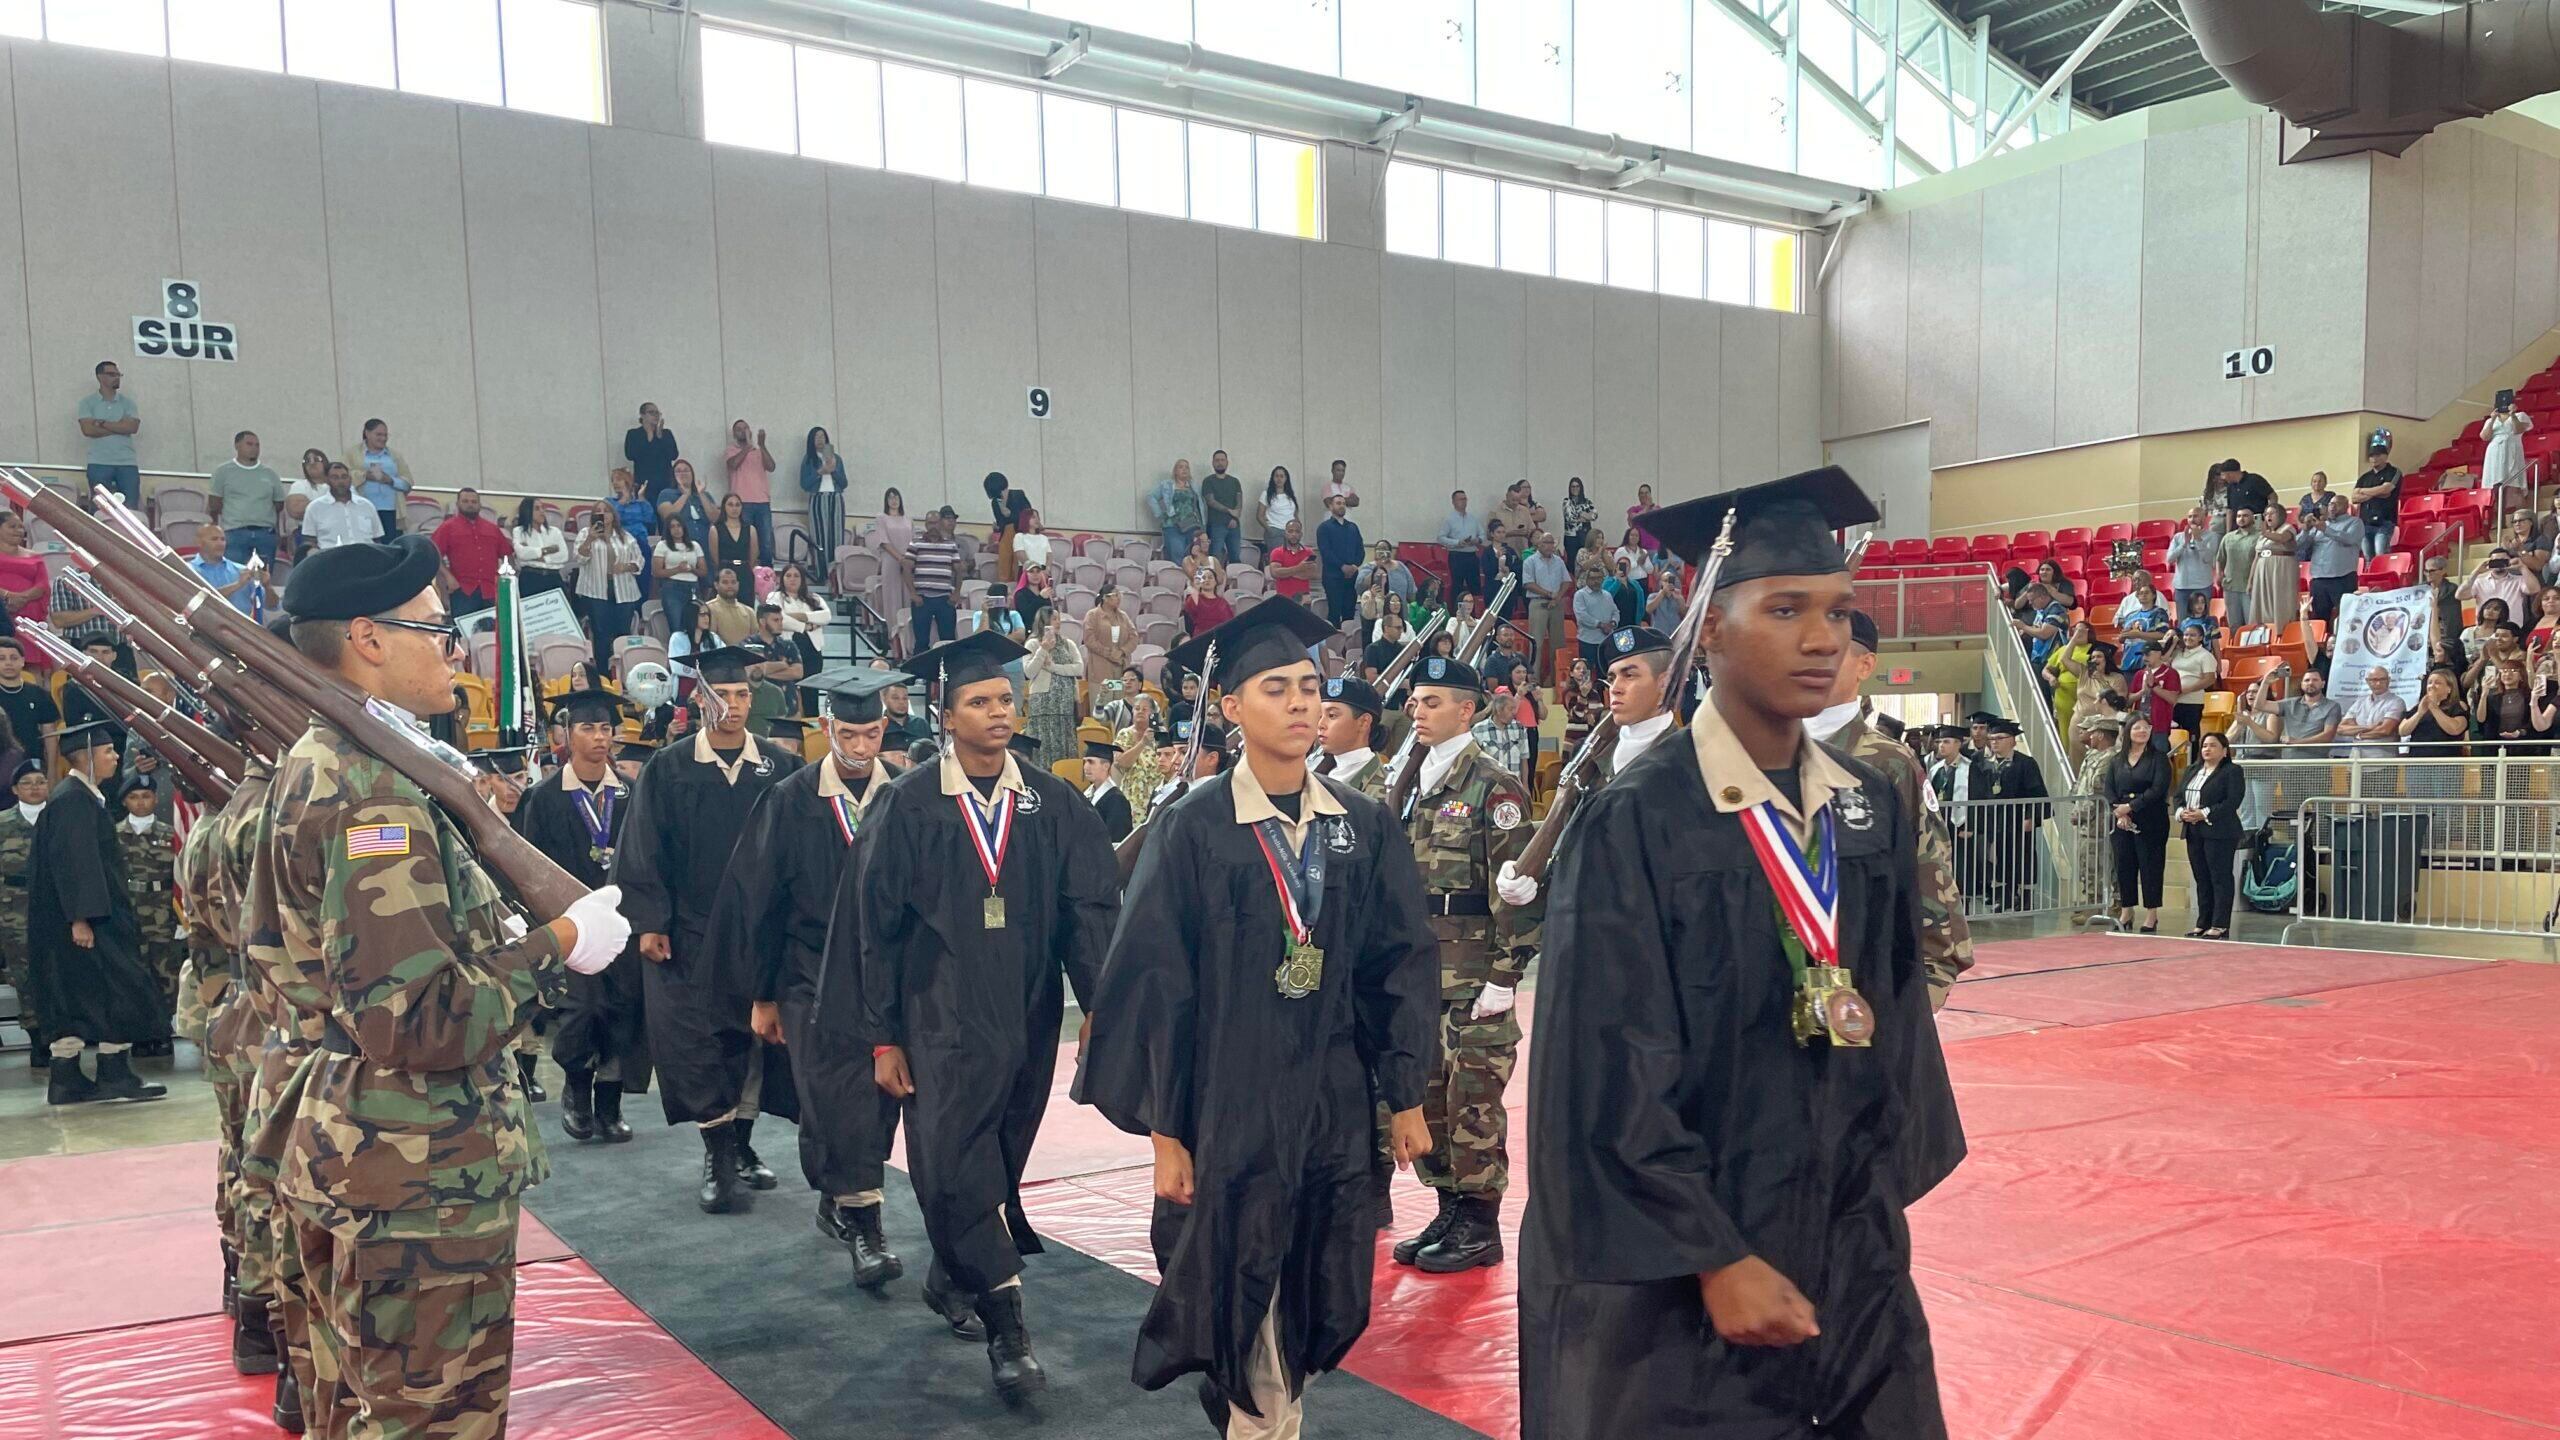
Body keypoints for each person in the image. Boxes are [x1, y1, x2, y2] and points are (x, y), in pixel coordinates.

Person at [1518, 467, 1963, 1440]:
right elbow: (1604, 1073)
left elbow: (1894, 1032)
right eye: (1785, 608)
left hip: (1850, 1268)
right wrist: (1713, 1256)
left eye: (1839, 613)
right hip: (1684, 1293)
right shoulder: (1638, 822)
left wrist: (1866, 1218)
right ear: (1709, 626)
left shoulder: (1865, 808)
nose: (1820, 637)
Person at [252, 537, 628, 1438]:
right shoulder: (371, 793)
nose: (454, 653)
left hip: (367, 1157)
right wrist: (558, 944)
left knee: (361, 1414)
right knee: (432, 1421)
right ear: (368, 639)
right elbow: (417, 1020)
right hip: (417, 1178)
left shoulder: (330, 762)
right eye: (437, 631)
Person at [1082, 597, 1437, 1435]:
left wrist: (1408, 1096)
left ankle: (1269, 1412)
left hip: (1332, 1099)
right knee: (1239, 1280)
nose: (1302, 703)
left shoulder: (1364, 827)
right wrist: (1168, 1132)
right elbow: (1151, 986)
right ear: (1232, 707)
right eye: (1276, 688)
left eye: (1311, 686)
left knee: (1317, 1276)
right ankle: (1261, 1422)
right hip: (1227, 1102)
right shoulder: (1194, 828)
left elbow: (1399, 966)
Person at [836, 630, 1118, 1394]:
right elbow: (876, 931)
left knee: (994, 1164)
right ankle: (1008, 1330)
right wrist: (882, 1037)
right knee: (955, 1163)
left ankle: (948, 1271)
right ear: (946, 714)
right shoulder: (907, 804)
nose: (998, 713)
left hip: (1027, 1023)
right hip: (937, 1023)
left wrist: (1098, 1005)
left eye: (1004, 699)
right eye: (979, 702)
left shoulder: (1051, 803)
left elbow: (1087, 913)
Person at [710, 667, 909, 1287]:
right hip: (808, 976)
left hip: (885, 980)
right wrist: (763, 994)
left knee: (879, 1105)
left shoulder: (904, 796)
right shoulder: (792, 799)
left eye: (872, 734)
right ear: (827, 728)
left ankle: (839, 1194)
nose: (860, 748)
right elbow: (761, 902)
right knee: (836, 1095)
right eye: (848, 734)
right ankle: (867, 1230)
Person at [613, 642, 803, 1210]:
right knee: (701, 1044)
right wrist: (649, 922)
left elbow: (799, 856)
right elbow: (641, 848)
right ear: (701, 698)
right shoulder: (668, 769)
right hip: (691, 934)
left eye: (744, 694)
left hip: (761, 933)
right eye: (725, 694)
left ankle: (742, 1145)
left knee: (758, 1043)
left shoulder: (781, 768)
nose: (736, 704)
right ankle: (718, 1156)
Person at [1379, 650, 1539, 1276]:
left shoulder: (1492, 786)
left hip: (1473, 974)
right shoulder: (1414, 775)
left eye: (1433, 702)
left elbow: (1518, 892)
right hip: (1420, 971)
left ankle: (1480, 1225)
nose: (1417, 711)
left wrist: (1506, 976)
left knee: (1473, 1103)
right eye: (1415, 701)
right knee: (1430, 1098)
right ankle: (1448, 1207)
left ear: (1467, 710)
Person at [1808, 610, 1975, 1006]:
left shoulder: (1887, 763)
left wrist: (1922, 1000)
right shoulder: (1761, 753)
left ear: (1865, 665)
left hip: (1864, 986)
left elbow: (1930, 876)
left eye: (1832, 650)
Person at [515, 688, 649, 1145]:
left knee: (623, 1009)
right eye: (588, 728)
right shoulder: (545, 797)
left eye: (606, 728)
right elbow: (530, 869)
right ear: (567, 734)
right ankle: (576, 1089)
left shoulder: (633, 794)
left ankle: (610, 1105)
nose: (599, 737)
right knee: (583, 1009)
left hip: (624, 923)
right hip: (571, 928)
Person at [28, 722, 166, 1103]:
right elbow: (74, 864)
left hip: (90, 916)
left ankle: (75, 1079)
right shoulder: (73, 800)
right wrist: (81, 917)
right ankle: (108, 1074)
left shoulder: (80, 796)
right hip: (87, 921)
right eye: (108, 752)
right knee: (111, 988)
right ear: (87, 757)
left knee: (87, 994)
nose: (116, 757)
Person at [2103, 716, 2171, 933]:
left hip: (2151, 819)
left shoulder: (2158, 758)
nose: (2142, 731)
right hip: (2122, 822)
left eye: (2146, 727)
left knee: (2150, 867)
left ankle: (2152, 914)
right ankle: (2126, 910)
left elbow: (2157, 789)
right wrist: (2119, 811)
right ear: (2128, 731)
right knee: (2124, 865)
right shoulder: (2117, 760)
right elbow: (2110, 790)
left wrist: (2130, 807)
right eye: (2137, 727)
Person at [2178, 730, 2244, 938]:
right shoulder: (2192, 770)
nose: (2207, 749)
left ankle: (2220, 924)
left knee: (2220, 877)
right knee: (2202, 877)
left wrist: (2203, 813)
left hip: (2220, 831)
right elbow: (2179, 796)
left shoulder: (2232, 771)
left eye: (2213, 745)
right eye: (2205, 745)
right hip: (2193, 830)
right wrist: (2182, 812)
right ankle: (2202, 922)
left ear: (2224, 751)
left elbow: (2232, 800)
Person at [1977, 718, 2047, 912]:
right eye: (1991, 739)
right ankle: (2004, 897)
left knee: (2022, 857)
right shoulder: (1984, 764)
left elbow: (2037, 792)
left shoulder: (2025, 763)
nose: (1994, 742)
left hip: (2017, 820)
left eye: (2000, 738)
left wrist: (2031, 817)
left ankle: (2025, 897)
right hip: (1995, 821)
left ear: (2013, 740)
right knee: (1998, 858)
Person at [574, 506, 644, 661]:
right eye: (598, 511)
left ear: (613, 515)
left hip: (624, 591)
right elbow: (579, 558)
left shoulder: (625, 536)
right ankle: (603, 675)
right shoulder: (586, 533)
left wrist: (626, 566)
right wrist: (590, 539)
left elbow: (639, 560)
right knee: (601, 634)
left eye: (606, 510)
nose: (603, 514)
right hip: (595, 591)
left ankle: (620, 672)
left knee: (622, 633)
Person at [208, 430, 284, 565]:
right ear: (237, 446)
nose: (254, 448)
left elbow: (278, 504)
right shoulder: (223, 472)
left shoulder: (270, 474)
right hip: (235, 533)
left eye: (257, 445)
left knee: (263, 578)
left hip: (265, 534)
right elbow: (214, 504)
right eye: (249, 444)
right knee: (235, 577)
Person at [431, 488, 509, 616]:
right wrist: (448, 577)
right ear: (458, 504)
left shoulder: (492, 529)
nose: (470, 504)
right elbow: (433, 553)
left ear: (479, 505)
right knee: (464, 634)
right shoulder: (447, 527)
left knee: (493, 634)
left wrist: (505, 580)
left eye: (474, 501)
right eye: (465, 501)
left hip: (491, 591)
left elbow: (507, 554)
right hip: (462, 590)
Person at [1022, 607, 1084, 765]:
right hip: (1043, 704)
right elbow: (1029, 672)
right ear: (1044, 621)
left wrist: (1054, 668)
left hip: (1065, 704)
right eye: (1054, 619)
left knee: (1064, 744)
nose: (1058, 622)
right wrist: (1043, 650)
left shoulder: (1068, 644)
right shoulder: (1033, 644)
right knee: (1044, 745)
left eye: (1058, 618)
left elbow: (1078, 668)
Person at [77, 360, 142, 505]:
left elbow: (132, 428)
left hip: (127, 463)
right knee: (100, 507)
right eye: (112, 374)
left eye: (118, 374)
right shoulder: (87, 403)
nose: (117, 378)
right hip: (98, 462)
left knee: (130, 508)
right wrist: (119, 426)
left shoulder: (128, 403)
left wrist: (102, 423)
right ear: (100, 377)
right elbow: (88, 430)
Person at [1314, 674, 1386, 794]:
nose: (1321, 724)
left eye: (1332, 715)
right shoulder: (1317, 768)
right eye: (1320, 716)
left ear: (1364, 722)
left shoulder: (1381, 788)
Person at [908, 508, 964, 653]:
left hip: (945, 599)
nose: (933, 526)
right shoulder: (916, 543)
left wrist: (956, 593)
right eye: (929, 523)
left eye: (936, 522)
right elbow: (906, 569)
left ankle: (948, 673)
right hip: (922, 599)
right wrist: (913, 594)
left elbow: (959, 570)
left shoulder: (950, 545)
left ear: (940, 524)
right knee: (921, 641)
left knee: (948, 641)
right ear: (926, 525)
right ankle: (920, 674)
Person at [345, 418, 414, 537]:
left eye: (385, 435)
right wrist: (364, 475)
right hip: (362, 509)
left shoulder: (395, 455)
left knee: (390, 546)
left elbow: (408, 482)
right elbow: (343, 475)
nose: (383, 438)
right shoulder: (352, 454)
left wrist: (390, 480)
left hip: (391, 510)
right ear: (367, 433)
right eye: (379, 434)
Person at [725, 419, 778, 563]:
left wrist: (762, 445)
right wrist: (747, 447)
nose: (743, 431)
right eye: (739, 429)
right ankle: (746, 575)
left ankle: (767, 577)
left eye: (745, 428)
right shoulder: (731, 450)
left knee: (765, 543)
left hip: (762, 502)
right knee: (745, 542)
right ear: (734, 434)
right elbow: (733, 464)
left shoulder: (759, 451)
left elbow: (771, 466)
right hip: (742, 503)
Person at [302, 462, 381, 552]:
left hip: (365, 558)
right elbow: (309, 542)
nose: (341, 481)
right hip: (331, 560)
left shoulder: (367, 506)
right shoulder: (314, 508)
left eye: (344, 477)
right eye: (335, 477)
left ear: (350, 479)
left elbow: (377, 540)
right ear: (327, 480)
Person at [1519, 530, 1571, 666]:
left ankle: (1558, 679)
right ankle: (1534, 678)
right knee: (1536, 643)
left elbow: (1567, 581)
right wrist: (1548, 594)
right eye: (1546, 543)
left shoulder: (1558, 561)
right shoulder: (1530, 561)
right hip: (1538, 603)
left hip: (1556, 603)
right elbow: (1528, 584)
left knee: (1558, 643)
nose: (1550, 546)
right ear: (1539, 545)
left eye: (1551, 543)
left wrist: (1557, 597)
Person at [1078, 716, 1134, 841]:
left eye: (1091, 762)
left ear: (1106, 766)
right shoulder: (1087, 794)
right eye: (1085, 762)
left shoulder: (1116, 800)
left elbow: (1117, 840)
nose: (1086, 767)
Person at [654, 516, 707, 643]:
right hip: (672, 587)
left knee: (695, 626)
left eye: (679, 525)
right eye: (672, 526)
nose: (676, 529)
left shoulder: (694, 545)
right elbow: (656, 572)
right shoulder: (663, 545)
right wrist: (677, 569)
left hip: (693, 587)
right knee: (677, 627)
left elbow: (703, 571)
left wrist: (691, 569)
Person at [2351, 433, 2402, 556]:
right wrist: (2376, 492)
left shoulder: (2393, 472)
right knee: (2368, 557)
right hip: (2365, 522)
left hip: (2385, 521)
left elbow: (2387, 489)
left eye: (2378, 455)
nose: (2374, 458)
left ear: (2385, 456)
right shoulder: (2365, 477)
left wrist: (2363, 491)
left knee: (2381, 554)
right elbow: (2354, 498)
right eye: (2372, 456)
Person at [1315, 494, 1364, 624]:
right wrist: (1342, 566)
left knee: (1349, 613)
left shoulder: (1353, 527)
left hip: (1352, 576)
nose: (1341, 505)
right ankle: (1335, 643)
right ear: (1331, 506)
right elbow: (1326, 552)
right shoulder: (1324, 528)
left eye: (1343, 503)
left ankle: (1348, 642)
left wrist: (1355, 565)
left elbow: (1360, 549)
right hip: (1333, 576)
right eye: (1338, 503)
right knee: (1334, 613)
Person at [2460, 544, 2542, 621]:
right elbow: (2460, 595)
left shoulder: (2518, 580)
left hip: (2511, 628)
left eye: (2503, 560)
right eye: (2495, 561)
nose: (2499, 563)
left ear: (2509, 561)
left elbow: (2535, 589)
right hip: (2485, 628)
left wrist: (2522, 567)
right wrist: (2476, 572)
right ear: (2490, 562)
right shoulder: (2479, 582)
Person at [512, 498, 571, 597]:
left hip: (554, 578)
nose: (542, 511)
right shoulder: (519, 531)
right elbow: (521, 553)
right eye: (537, 509)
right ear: (527, 511)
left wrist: (537, 555)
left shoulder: (554, 532)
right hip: (530, 578)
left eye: (542, 508)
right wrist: (549, 550)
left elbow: (564, 556)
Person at [624, 401, 680, 502]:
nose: (655, 416)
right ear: (642, 415)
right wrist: (649, 437)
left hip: (665, 482)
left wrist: (659, 437)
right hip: (644, 483)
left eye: (657, 413)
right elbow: (630, 455)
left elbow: (673, 455)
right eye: (651, 412)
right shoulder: (634, 434)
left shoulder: (666, 433)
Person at [1152, 459, 1206, 560]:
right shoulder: (1166, 485)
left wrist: (1202, 526)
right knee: (1177, 553)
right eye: (1180, 467)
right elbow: (1151, 497)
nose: (1184, 469)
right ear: (1175, 471)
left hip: (1191, 526)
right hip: (1172, 525)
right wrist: (1159, 513)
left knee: (1190, 556)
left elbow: (1200, 506)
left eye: (1186, 467)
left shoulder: (1194, 487)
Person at [2216, 506, 2259, 630]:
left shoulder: (2259, 537)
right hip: (2230, 586)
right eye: (2239, 516)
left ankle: (2251, 649)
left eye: (2245, 516)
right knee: (2234, 625)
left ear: (2253, 518)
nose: (2241, 519)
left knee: (2251, 624)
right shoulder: (2228, 537)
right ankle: (2236, 649)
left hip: (2250, 587)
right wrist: (2219, 574)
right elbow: (2219, 559)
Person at [2483, 396, 2533, 501]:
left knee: (2515, 483)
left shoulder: (2520, 415)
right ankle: (2498, 515)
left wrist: (2513, 415)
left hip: (2512, 448)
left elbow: (2518, 430)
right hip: (2494, 452)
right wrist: (2492, 419)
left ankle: (2519, 514)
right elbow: (2485, 437)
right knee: (2495, 485)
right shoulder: (2490, 420)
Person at [1569, 564, 1615, 679]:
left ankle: (1603, 696)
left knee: (1605, 674)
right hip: (1587, 641)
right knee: (1586, 675)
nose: (1596, 581)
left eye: (1599, 578)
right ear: (1587, 580)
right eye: (1593, 578)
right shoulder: (1580, 595)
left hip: (1605, 641)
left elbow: (1616, 611)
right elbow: (1582, 616)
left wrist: (1613, 623)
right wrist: (1601, 625)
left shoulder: (1607, 595)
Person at [708, 491, 760, 591]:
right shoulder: (715, 529)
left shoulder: (750, 529)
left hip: (744, 572)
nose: (734, 508)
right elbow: (715, 557)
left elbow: (753, 555)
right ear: (724, 507)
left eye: (737, 505)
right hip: (724, 572)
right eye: (730, 505)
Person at [1200, 449, 1244, 564]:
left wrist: (1235, 517)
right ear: (1213, 463)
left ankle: (1232, 581)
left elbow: (1239, 502)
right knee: (1215, 558)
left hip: (1234, 525)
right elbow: (1210, 501)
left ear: (1227, 462)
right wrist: (1230, 511)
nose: (1220, 462)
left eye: (1222, 460)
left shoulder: (1235, 482)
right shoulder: (1208, 481)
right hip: (1216, 525)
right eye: (1217, 460)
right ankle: (1215, 580)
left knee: (1235, 557)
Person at [1437, 491, 1483, 600]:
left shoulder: (1473, 518)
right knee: (1457, 585)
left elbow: (1483, 534)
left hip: (1471, 555)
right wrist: (1457, 542)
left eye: (1465, 499)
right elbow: (1440, 538)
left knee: (1475, 585)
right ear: (1453, 502)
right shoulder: (1449, 519)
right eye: (1460, 499)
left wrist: (1478, 540)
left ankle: (1476, 611)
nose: (1464, 501)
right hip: (1456, 555)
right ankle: (1455, 612)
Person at [765, 562, 827, 636]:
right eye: (788, 576)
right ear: (782, 579)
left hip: (813, 644)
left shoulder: (814, 597)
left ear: (802, 579)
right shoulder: (774, 596)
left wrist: (797, 616)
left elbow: (826, 616)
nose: (792, 579)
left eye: (796, 576)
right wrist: (806, 626)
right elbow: (776, 619)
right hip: (786, 643)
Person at [1265, 518, 1317, 602]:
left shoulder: (1309, 552)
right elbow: (1275, 573)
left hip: (1304, 597)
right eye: (1290, 531)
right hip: (1283, 597)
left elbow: (1313, 574)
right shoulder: (1277, 552)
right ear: (1285, 534)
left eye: (1297, 531)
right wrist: (1299, 568)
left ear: (1301, 534)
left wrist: (1286, 572)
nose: (1294, 534)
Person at [1257, 465, 1299, 559]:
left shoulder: (1290, 495)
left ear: (1286, 479)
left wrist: (1298, 529)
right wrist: (1269, 530)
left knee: (1292, 559)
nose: (1279, 479)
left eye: (1281, 476)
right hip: (1275, 531)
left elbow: (1295, 514)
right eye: (1276, 476)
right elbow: (1259, 516)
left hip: (1291, 532)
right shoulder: (1266, 494)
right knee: (1278, 560)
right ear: (1272, 478)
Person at [1559, 477, 1598, 570]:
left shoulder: (1587, 501)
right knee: (1572, 562)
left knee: (1585, 560)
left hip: (1585, 536)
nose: (1575, 488)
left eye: (1577, 486)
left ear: (1581, 488)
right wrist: (1585, 515)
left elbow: (1595, 515)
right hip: (1571, 538)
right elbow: (1570, 518)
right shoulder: (1566, 501)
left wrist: (1582, 515)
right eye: (1572, 486)